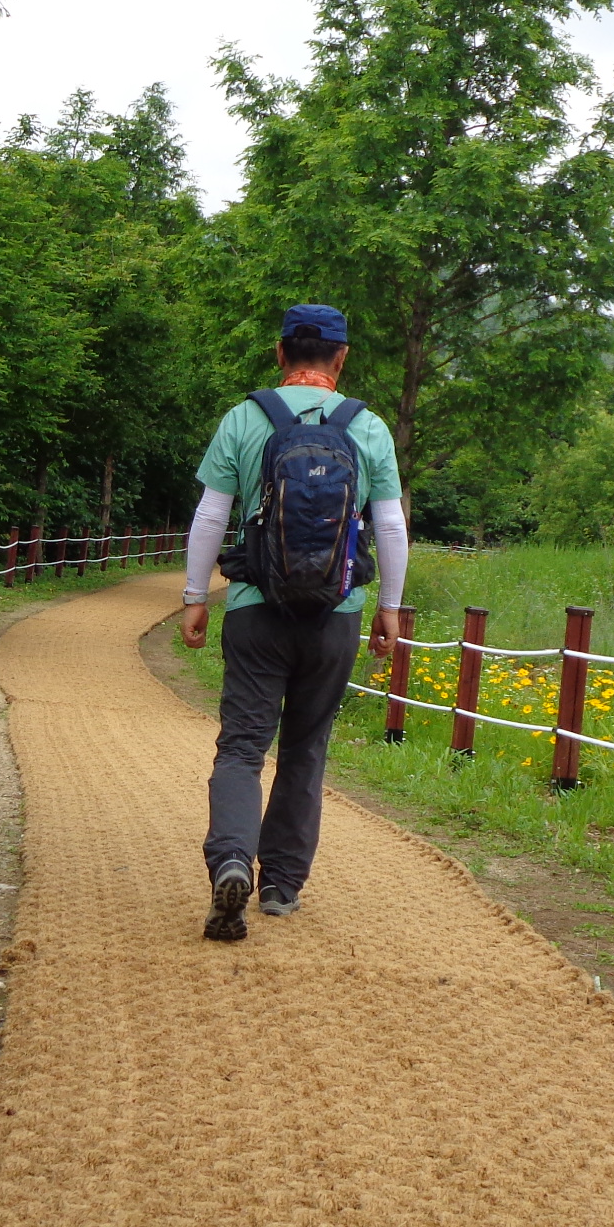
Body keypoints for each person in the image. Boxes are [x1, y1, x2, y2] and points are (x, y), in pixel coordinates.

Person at [179, 303, 407, 941]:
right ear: (342, 357)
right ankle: (281, 885)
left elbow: (210, 514)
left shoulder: (246, 417)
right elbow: (390, 525)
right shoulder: (369, 427)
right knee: (306, 748)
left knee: (242, 746)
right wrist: (389, 605)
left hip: (256, 610)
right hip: (336, 615)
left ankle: (231, 859)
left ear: (280, 354)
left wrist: (195, 596)